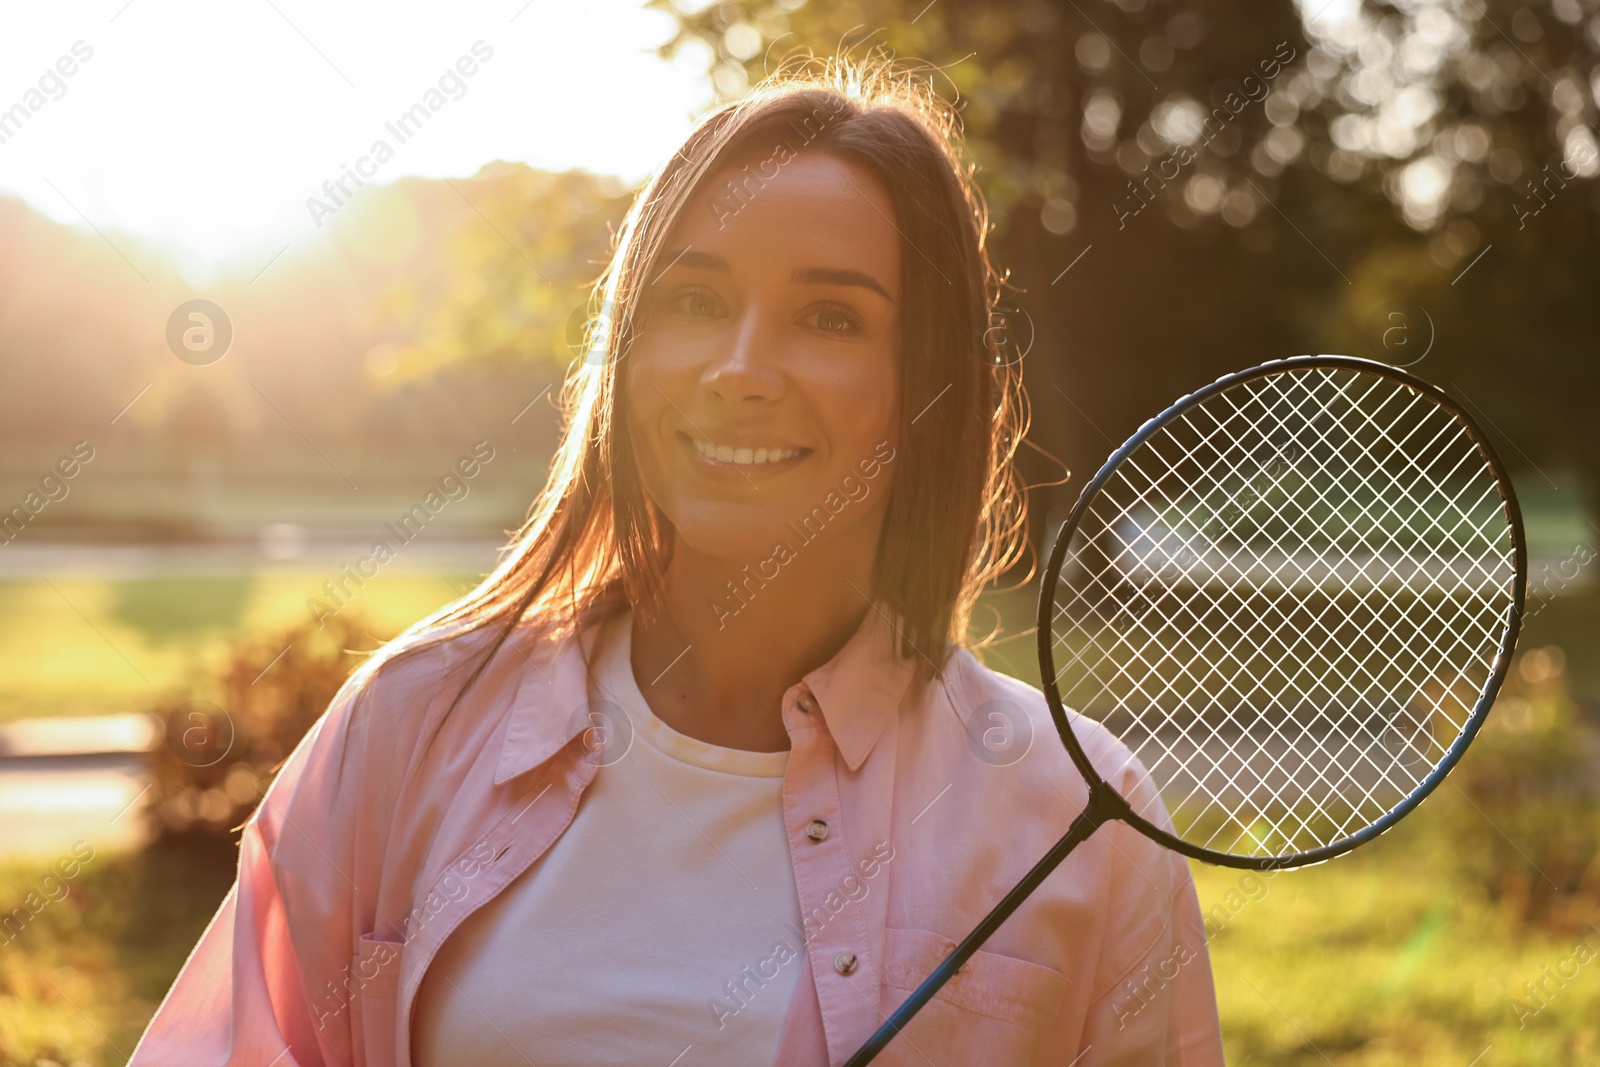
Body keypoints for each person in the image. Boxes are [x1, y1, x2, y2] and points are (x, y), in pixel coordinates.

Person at [129, 56, 1224, 1067]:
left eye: (830, 317)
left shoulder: (1073, 810)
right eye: (694, 301)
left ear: (928, 390)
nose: (740, 367)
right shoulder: (409, 725)